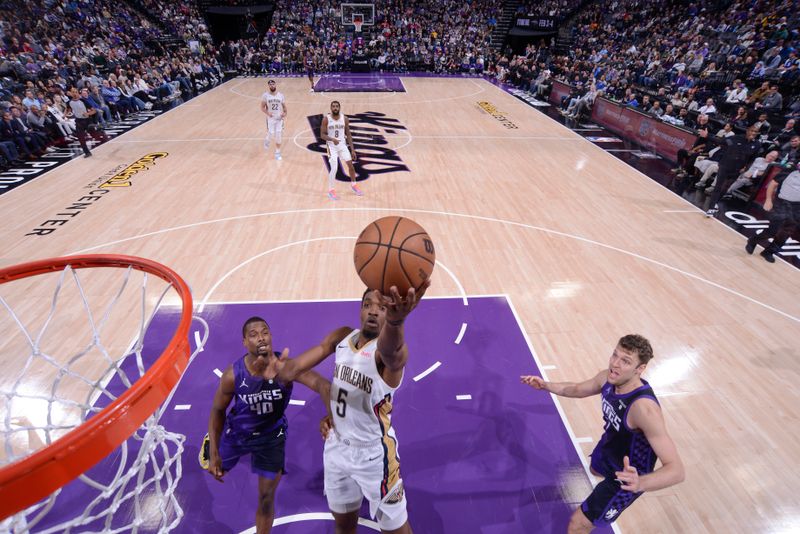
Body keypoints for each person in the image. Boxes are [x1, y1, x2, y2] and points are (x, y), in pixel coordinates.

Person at [521, 334, 684, 533]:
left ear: (639, 369)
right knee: (594, 470)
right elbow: (577, 389)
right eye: (615, 355)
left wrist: (640, 482)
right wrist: (546, 385)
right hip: (609, 448)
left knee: (577, 525)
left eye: (625, 361)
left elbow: (676, 470)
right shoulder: (607, 378)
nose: (615, 364)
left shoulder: (644, 410)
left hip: (627, 477)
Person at [202, 316, 334, 533]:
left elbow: (322, 384)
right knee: (215, 468)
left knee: (265, 498)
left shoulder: (286, 368)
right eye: (253, 335)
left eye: (264, 332)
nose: (260, 337)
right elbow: (217, 410)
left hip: (272, 438)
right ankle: (212, 442)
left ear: (271, 336)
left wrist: (330, 413)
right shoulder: (232, 375)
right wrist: (215, 452)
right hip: (237, 434)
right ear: (245, 342)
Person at [319, 282, 431, 534]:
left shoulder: (386, 355)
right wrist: (334, 414)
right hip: (337, 447)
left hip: (374, 457)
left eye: (382, 307)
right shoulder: (345, 340)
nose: (373, 311)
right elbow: (333, 386)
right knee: (343, 527)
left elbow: (394, 352)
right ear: (359, 309)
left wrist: (396, 322)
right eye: (368, 305)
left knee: (397, 530)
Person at [745, 163, 800, 263]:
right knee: (773, 230)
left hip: (798, 208)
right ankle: (753, 240)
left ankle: (769, 252)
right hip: (782, 202)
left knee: (786, 233)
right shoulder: (790, 169)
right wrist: (768, 200)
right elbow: (773, 183)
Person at [705, 125, 761, 217]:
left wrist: (746, 168)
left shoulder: (757, 144)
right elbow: (721, 141)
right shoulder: (736, 138)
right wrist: (708, 135)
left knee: (726, 188)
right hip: (725, 166)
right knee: (718, 187)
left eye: (756, 132)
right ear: (748, 130)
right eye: (752, 131)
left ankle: (715, 202)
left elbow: (752, 159)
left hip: (737, 170)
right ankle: (711, 209)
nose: (753, 133)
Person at [320, 100, 363, 200]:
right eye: (333, 106)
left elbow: (348, 134)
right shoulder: (326, 119)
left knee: (351, 166)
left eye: (337, 106)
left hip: (342, 145)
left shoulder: (345, 118)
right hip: (331, 146)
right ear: (331, 108)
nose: (335, 108)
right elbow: (322, 135)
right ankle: (331, 190)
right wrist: (331, 139)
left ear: (339, 108)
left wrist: (352, 149)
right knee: (334, 168)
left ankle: (354, 185)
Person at [260, 79, 286, 160]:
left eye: (273, 84)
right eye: (270, 84)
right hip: (270, 118)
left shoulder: (281, 95)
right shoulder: (265, 95)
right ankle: (267, 141)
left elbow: (285, 108)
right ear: (268, 86)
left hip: (279, 118)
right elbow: (262, 107)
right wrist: (268, 113)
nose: (272, 85)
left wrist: (284, 114)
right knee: (270, 133)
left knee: (278, 135)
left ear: (275, 85)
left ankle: (277, 153)